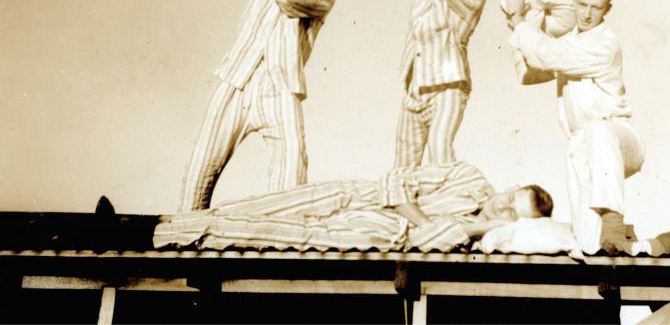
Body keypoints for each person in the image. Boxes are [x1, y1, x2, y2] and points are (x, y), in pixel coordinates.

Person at [506, 0, 670, 255]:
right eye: (582, 5)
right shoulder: (568, 43)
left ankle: (614, 225)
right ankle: (658, 244)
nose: (587, 13)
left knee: (597, 129)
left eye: (596, 7)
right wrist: (521, 24)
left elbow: (545, 54)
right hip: (582, 148)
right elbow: (528, 73)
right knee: (590, 246)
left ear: (608, 9)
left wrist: (520, 22)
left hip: (618, 140)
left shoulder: (604, 44)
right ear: (574, 2)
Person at [179, 0, 338, 212]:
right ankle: (183, 240)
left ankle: (283, 245)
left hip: (280, 89)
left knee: (291, 176)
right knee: (201, 170)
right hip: (237, 79)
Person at [155, 161, 554, 253]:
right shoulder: (468, 177)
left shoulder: (469, 240)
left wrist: (480, 228)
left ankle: (153, 233)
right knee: (263, 206)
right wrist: (421, 217)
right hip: (357, 196)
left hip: (377, 231)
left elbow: (422, 241)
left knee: (274, 233)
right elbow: (396, 180)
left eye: (511, 213)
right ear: (511, 186)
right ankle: (162, 224)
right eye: (509, 198)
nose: (501, 207)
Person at [366, 0, 500, 168]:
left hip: (449, 88)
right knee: (403, 168)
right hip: (415, 88)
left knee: (440, 157)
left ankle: (451, 207)